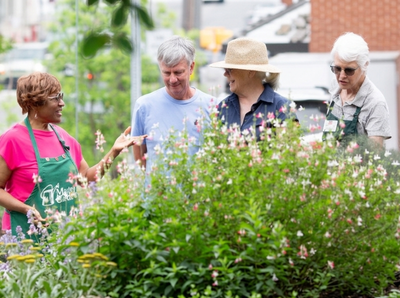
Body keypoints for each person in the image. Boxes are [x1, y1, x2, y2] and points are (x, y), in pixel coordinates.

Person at [0, 72, 145, 238]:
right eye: (55, 98)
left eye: (61, 97)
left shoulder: (62, 137)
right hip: (23, 238)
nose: (62, 103)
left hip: (63, 238)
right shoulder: (12, 140)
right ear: (34, 103)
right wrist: (26, 209)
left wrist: (114, 151)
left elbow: (87, 177)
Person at [131, 35, 214, 182]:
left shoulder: (211, 106)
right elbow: (140, 156)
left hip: (199, 200)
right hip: (158, 200)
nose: (172, 79)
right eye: (166, 73)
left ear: (191, 67)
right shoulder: (144, 106)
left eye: (178, 72)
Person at [209, 37, 292, 140]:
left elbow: (290, 151)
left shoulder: (281, 107)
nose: (225, 74)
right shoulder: (223, 107)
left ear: (251, 72)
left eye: (230, 69)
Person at [323, 32, 391, 147]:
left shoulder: (375, 103)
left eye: (349, 70)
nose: (341, 76)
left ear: (365, 66)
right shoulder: (335, 90)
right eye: (337, 68)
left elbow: (374, 157)